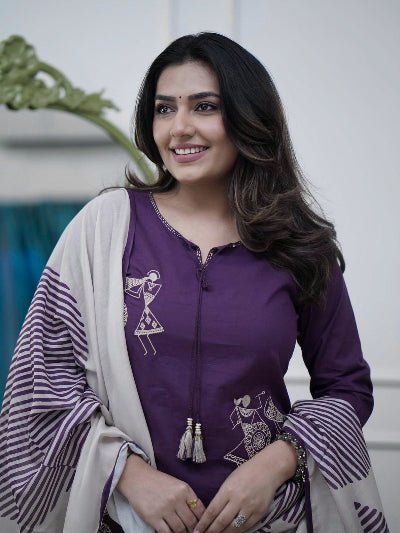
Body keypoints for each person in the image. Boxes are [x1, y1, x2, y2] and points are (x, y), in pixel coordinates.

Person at [0, 33, 388, 533]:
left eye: (204, 106)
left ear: (249, 118)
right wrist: (130, 475)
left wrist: (276, 463)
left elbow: (346, 386)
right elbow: (43, 376)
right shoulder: (106, 227)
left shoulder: (300, 245)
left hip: (268, 517)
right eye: (164, 109)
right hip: (125, 517)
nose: (179, 127)